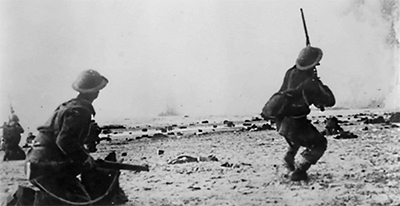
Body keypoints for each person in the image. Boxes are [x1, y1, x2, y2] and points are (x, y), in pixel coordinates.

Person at [22, 69, 127, 205]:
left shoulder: (69, 106)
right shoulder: (80, 111)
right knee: (81, 201)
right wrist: (85, 159)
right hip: (47, 168)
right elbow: (65, 141)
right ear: (95, 92)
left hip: (38, 162)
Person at [262, 45, 335, 181]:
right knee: (319, 144)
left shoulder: (290, 72)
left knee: (295, 142)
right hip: (296, 123)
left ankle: (287, 163)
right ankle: (299, 170)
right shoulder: (311, 82)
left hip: (281, 121)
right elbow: (329, 101)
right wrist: (318, 83)